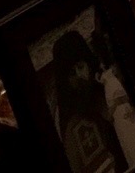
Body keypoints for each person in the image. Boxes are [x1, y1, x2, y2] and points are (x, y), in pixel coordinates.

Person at [49, 28, 125, 173]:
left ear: (88, 63)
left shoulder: (106, 86)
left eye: (80, 67)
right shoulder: (73, 123)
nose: (79, 76)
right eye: (72, 73)